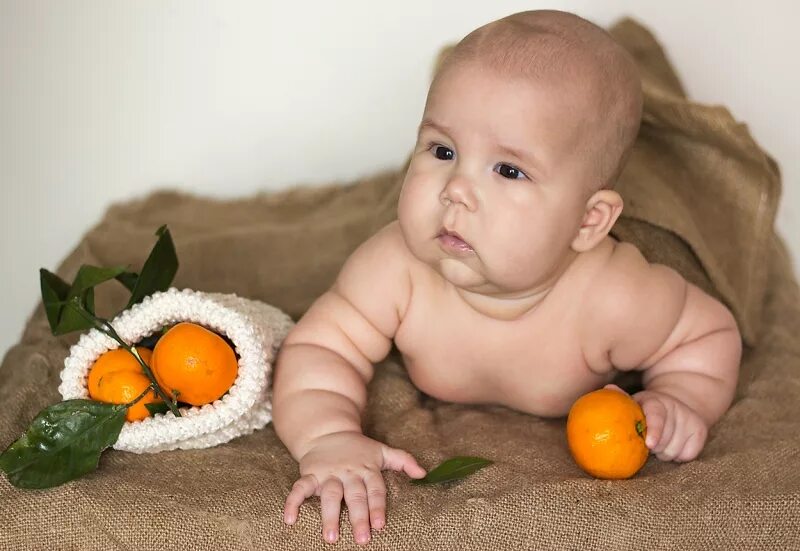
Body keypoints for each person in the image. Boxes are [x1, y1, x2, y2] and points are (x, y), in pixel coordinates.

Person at [271, 9, 742, 546]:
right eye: (442, 151)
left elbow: (707, 334)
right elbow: (320, 348)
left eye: (509, 170)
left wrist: (681, 397)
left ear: (588, 222)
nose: (456, 190)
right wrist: (328, 436)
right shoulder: (395, 267)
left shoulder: (615, 297)